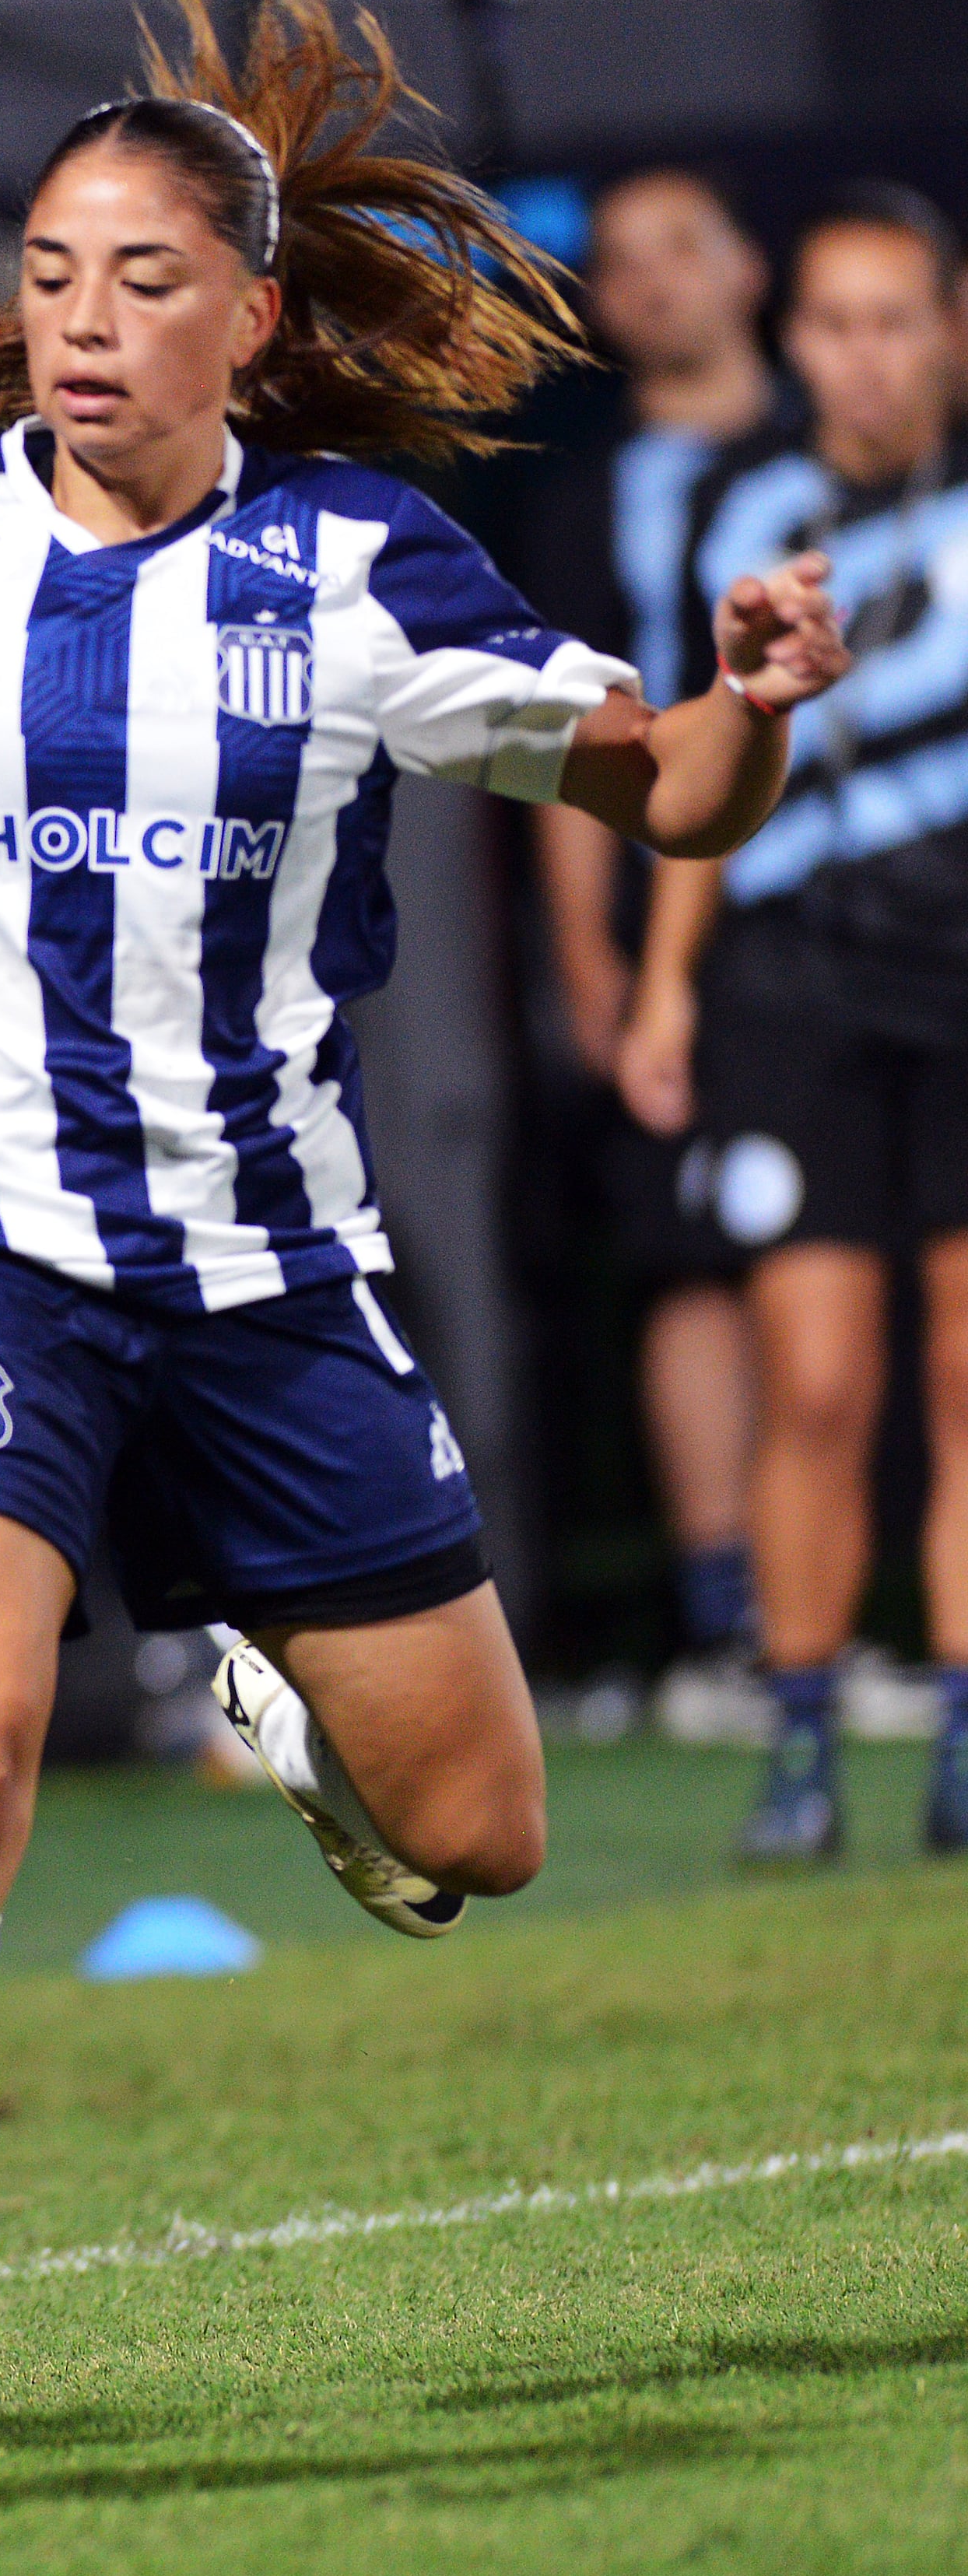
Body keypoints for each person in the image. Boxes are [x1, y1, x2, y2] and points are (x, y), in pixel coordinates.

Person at [0, 0, 846, 2484]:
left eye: (142, 283)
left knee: (482, 1832)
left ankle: (267, 1677)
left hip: (265, 1273)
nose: (84, 328)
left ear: (252, 318)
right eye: (46, 277)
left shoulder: (365, 574)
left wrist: (755, 702)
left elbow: (670, 794)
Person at [618, 184, 968, 1863]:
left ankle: (964, 1744)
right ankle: (805, 1746)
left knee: (967, 1371)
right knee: (813, 1379)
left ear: (950, 332)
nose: (862, 355)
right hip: (794, 984)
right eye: (831, 322)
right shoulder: (743, 513)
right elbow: (695, 766)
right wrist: (665, 981)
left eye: (895, 317)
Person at [510, 166, 784, 1740]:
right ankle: (728, 1620)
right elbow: (575, 744)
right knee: (693, 1257)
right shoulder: (584, 498)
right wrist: (592, 968)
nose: (658, 281)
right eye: (624, 262)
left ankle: (865, 1612)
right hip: (668, 909)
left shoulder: (847, 455)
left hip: (859, 909)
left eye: (686, 244)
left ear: (744, 265)